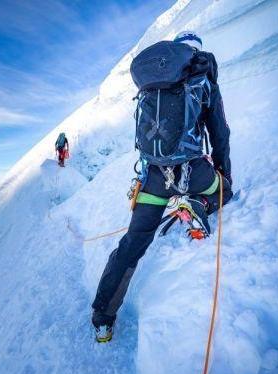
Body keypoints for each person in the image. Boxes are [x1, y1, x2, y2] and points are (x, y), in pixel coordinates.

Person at [92, 31, 234, 342]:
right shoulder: (203, 79)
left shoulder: (153, 83)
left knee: (133, 243)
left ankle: (103, 317)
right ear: (196, 52)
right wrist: (223, 174)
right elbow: (220, 133)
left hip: (155, 178)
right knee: (224, 190)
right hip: (195, 172)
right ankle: (198, 204)